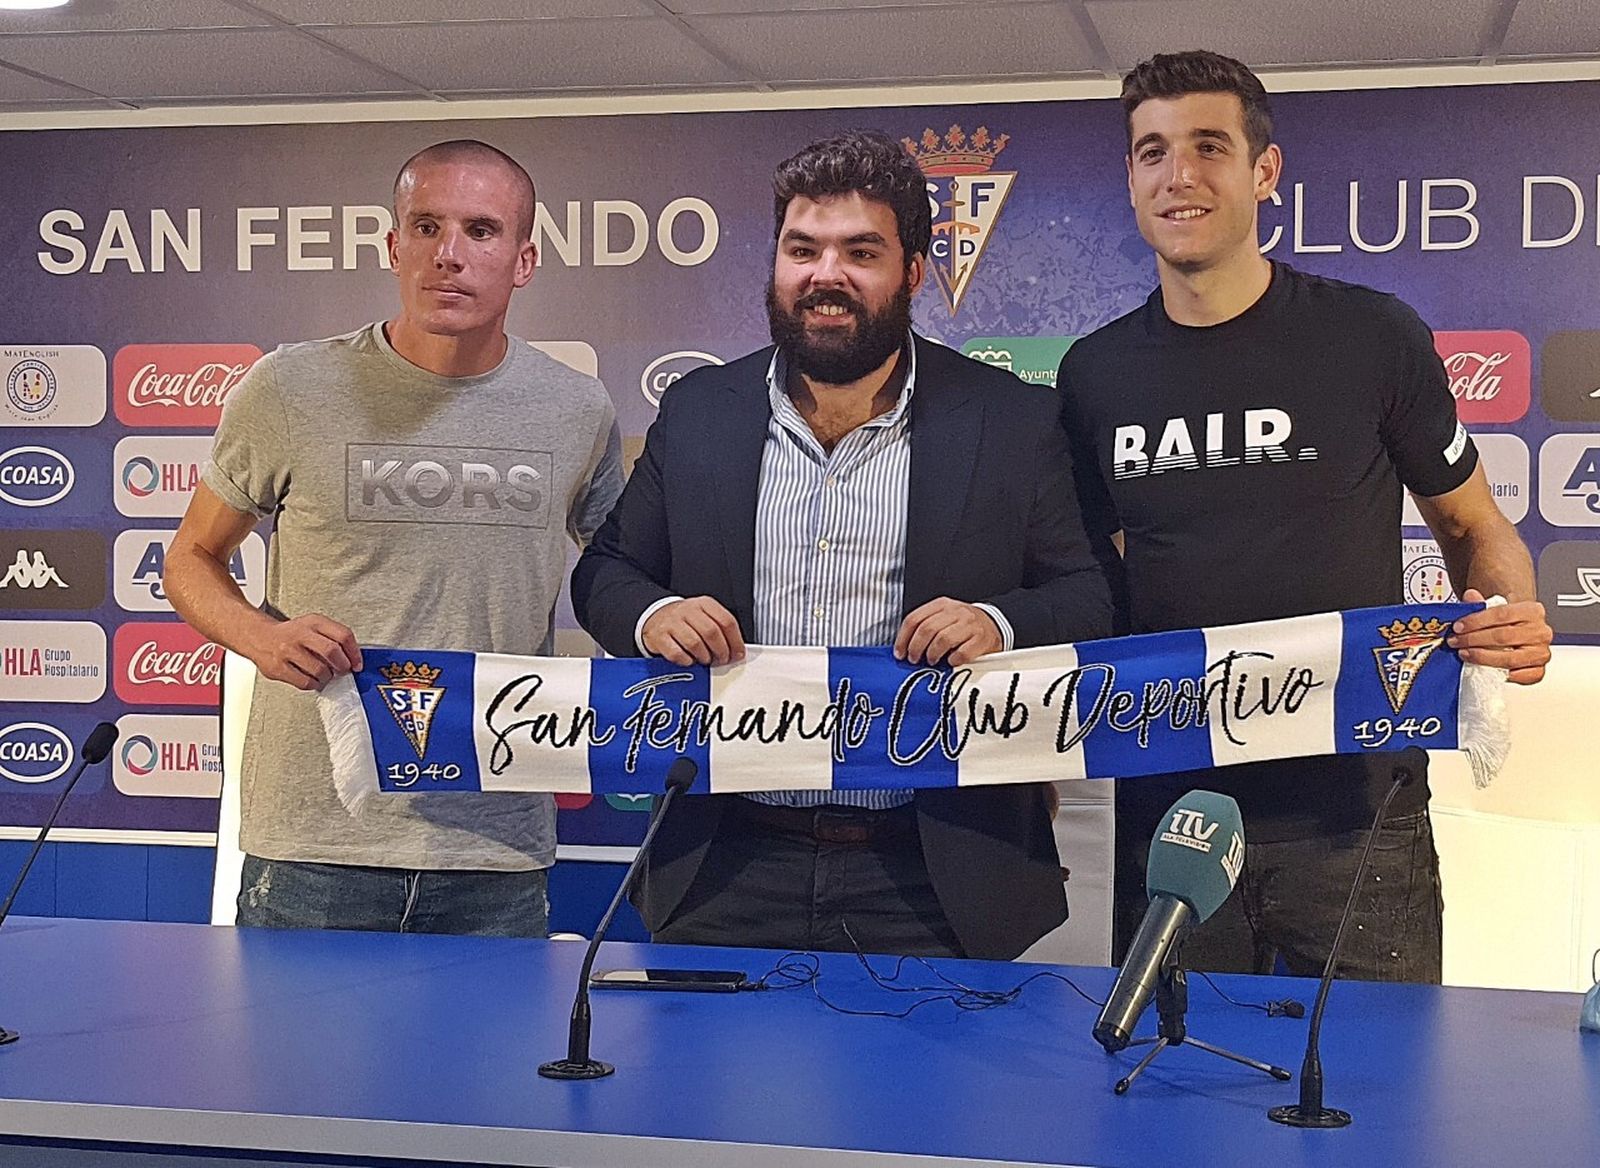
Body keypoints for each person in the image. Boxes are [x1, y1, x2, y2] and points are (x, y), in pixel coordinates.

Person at [1056, 51, 1553, 981]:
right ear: (1130, 177)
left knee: (1373, 1102)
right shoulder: (1092, 374)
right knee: (1172, 1105)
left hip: (1358, 815)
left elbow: (1474, 528)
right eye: (1152, 151)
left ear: (1264, 172)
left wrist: (1504, 622)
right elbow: (1087, 578)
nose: (1179, 175)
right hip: (1173, 810)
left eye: (1210, 145)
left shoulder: (1370, 335)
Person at [572, 130, 1111, 960]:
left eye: (861, 250)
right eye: (803, 249)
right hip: (726, 860)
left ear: (914, 272)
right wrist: (654, 617)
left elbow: (1090, 594)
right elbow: (606, 571)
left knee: (927, 1095)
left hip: (935, 873)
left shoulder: (1010, 418)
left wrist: (996, 627)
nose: (827, 275)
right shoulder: (700, 412)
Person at [165, 140, 624, 936]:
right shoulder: (289, 387)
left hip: (495, 846)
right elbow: (189, 559)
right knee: (295, 1069)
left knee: (484, 1069)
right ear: (393, 246)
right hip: (316, 845)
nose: (450, 255)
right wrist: (262, 639)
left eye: (481, 231)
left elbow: (623, 575)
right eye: (427, 227)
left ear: (524, 261)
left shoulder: (577, 410)